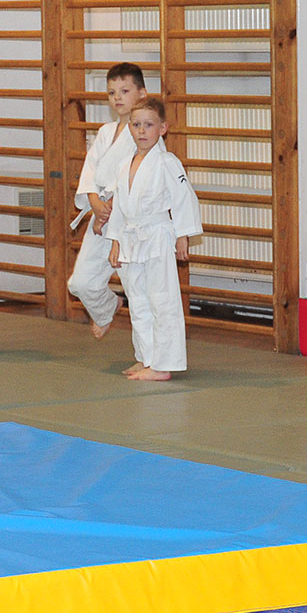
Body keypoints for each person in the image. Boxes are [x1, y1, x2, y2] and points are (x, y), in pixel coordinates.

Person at [105, 96, 202, 381]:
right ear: (130, 128)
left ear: (163, 128)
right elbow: (120, 207)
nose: (142, 131)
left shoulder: (167, 162)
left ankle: (163, 364)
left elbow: (184, 198)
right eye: (136, 125)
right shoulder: (125, 164)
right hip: (131, 239)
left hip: (158, 236)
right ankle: (146, 357)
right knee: (137, 300)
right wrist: (115, 241)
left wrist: (182, 236)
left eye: (149, 125)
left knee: (162, 301)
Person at [67, 62, 147, 339]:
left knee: (137, 292)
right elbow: (90, 169)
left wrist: (109, 209)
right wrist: (93, 200)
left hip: (127, 223)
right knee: (81, 283)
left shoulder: (144, 134)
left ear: (142, 94)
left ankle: (149, 355)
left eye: (125, 91)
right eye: (112, 92)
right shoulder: (105, 132)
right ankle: (106, 308)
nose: (117, 98)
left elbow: (138, 179)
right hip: (100, 215)